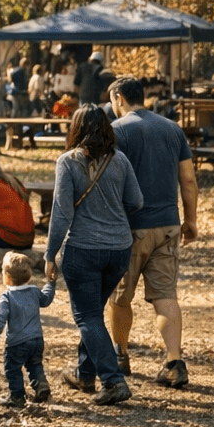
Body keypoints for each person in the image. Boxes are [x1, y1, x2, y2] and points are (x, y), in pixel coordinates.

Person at [45, 105, 144, 405]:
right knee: (94, 315)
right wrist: (112, 215)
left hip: (83, 251)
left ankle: (113, 382)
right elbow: (136, 201)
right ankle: (84, 373)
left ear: (75, 129)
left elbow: (61, 214)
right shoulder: (121, 160)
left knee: (87, 316)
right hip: (119, 250)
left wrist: (50, 254)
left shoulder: (68, 162)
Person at [108, 75, 198, 388]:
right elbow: (187, 179)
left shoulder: (117, 131)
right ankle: (174, 361)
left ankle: (120, 354)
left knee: (120, 297)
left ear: (119, 98)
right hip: (168, 224)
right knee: (165, 296)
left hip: (130, 227)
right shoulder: (172, 128)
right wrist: (191, 219)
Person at [0, 252, 58, 407]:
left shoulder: (6, 298)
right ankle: (41, 385)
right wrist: (50, 285)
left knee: (13, 369)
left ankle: (17, 397)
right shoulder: (34, 291)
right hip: (37, 340)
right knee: (35, 365)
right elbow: (46, 300)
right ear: (30, 275)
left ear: (7, 277)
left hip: (16, 343)